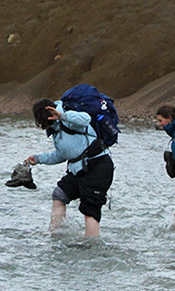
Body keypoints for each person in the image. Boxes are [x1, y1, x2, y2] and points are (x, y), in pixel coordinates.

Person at [24, 98, 114, 237]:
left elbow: (86, 119)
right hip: (79, 169)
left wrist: (62, 116)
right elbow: (62, 155)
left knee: (90, 207)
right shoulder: (56, 131)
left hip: (98, 166)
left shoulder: (68, 117)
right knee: (59, 194)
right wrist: (38, 159)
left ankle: (91, 245)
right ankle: (56, 233)